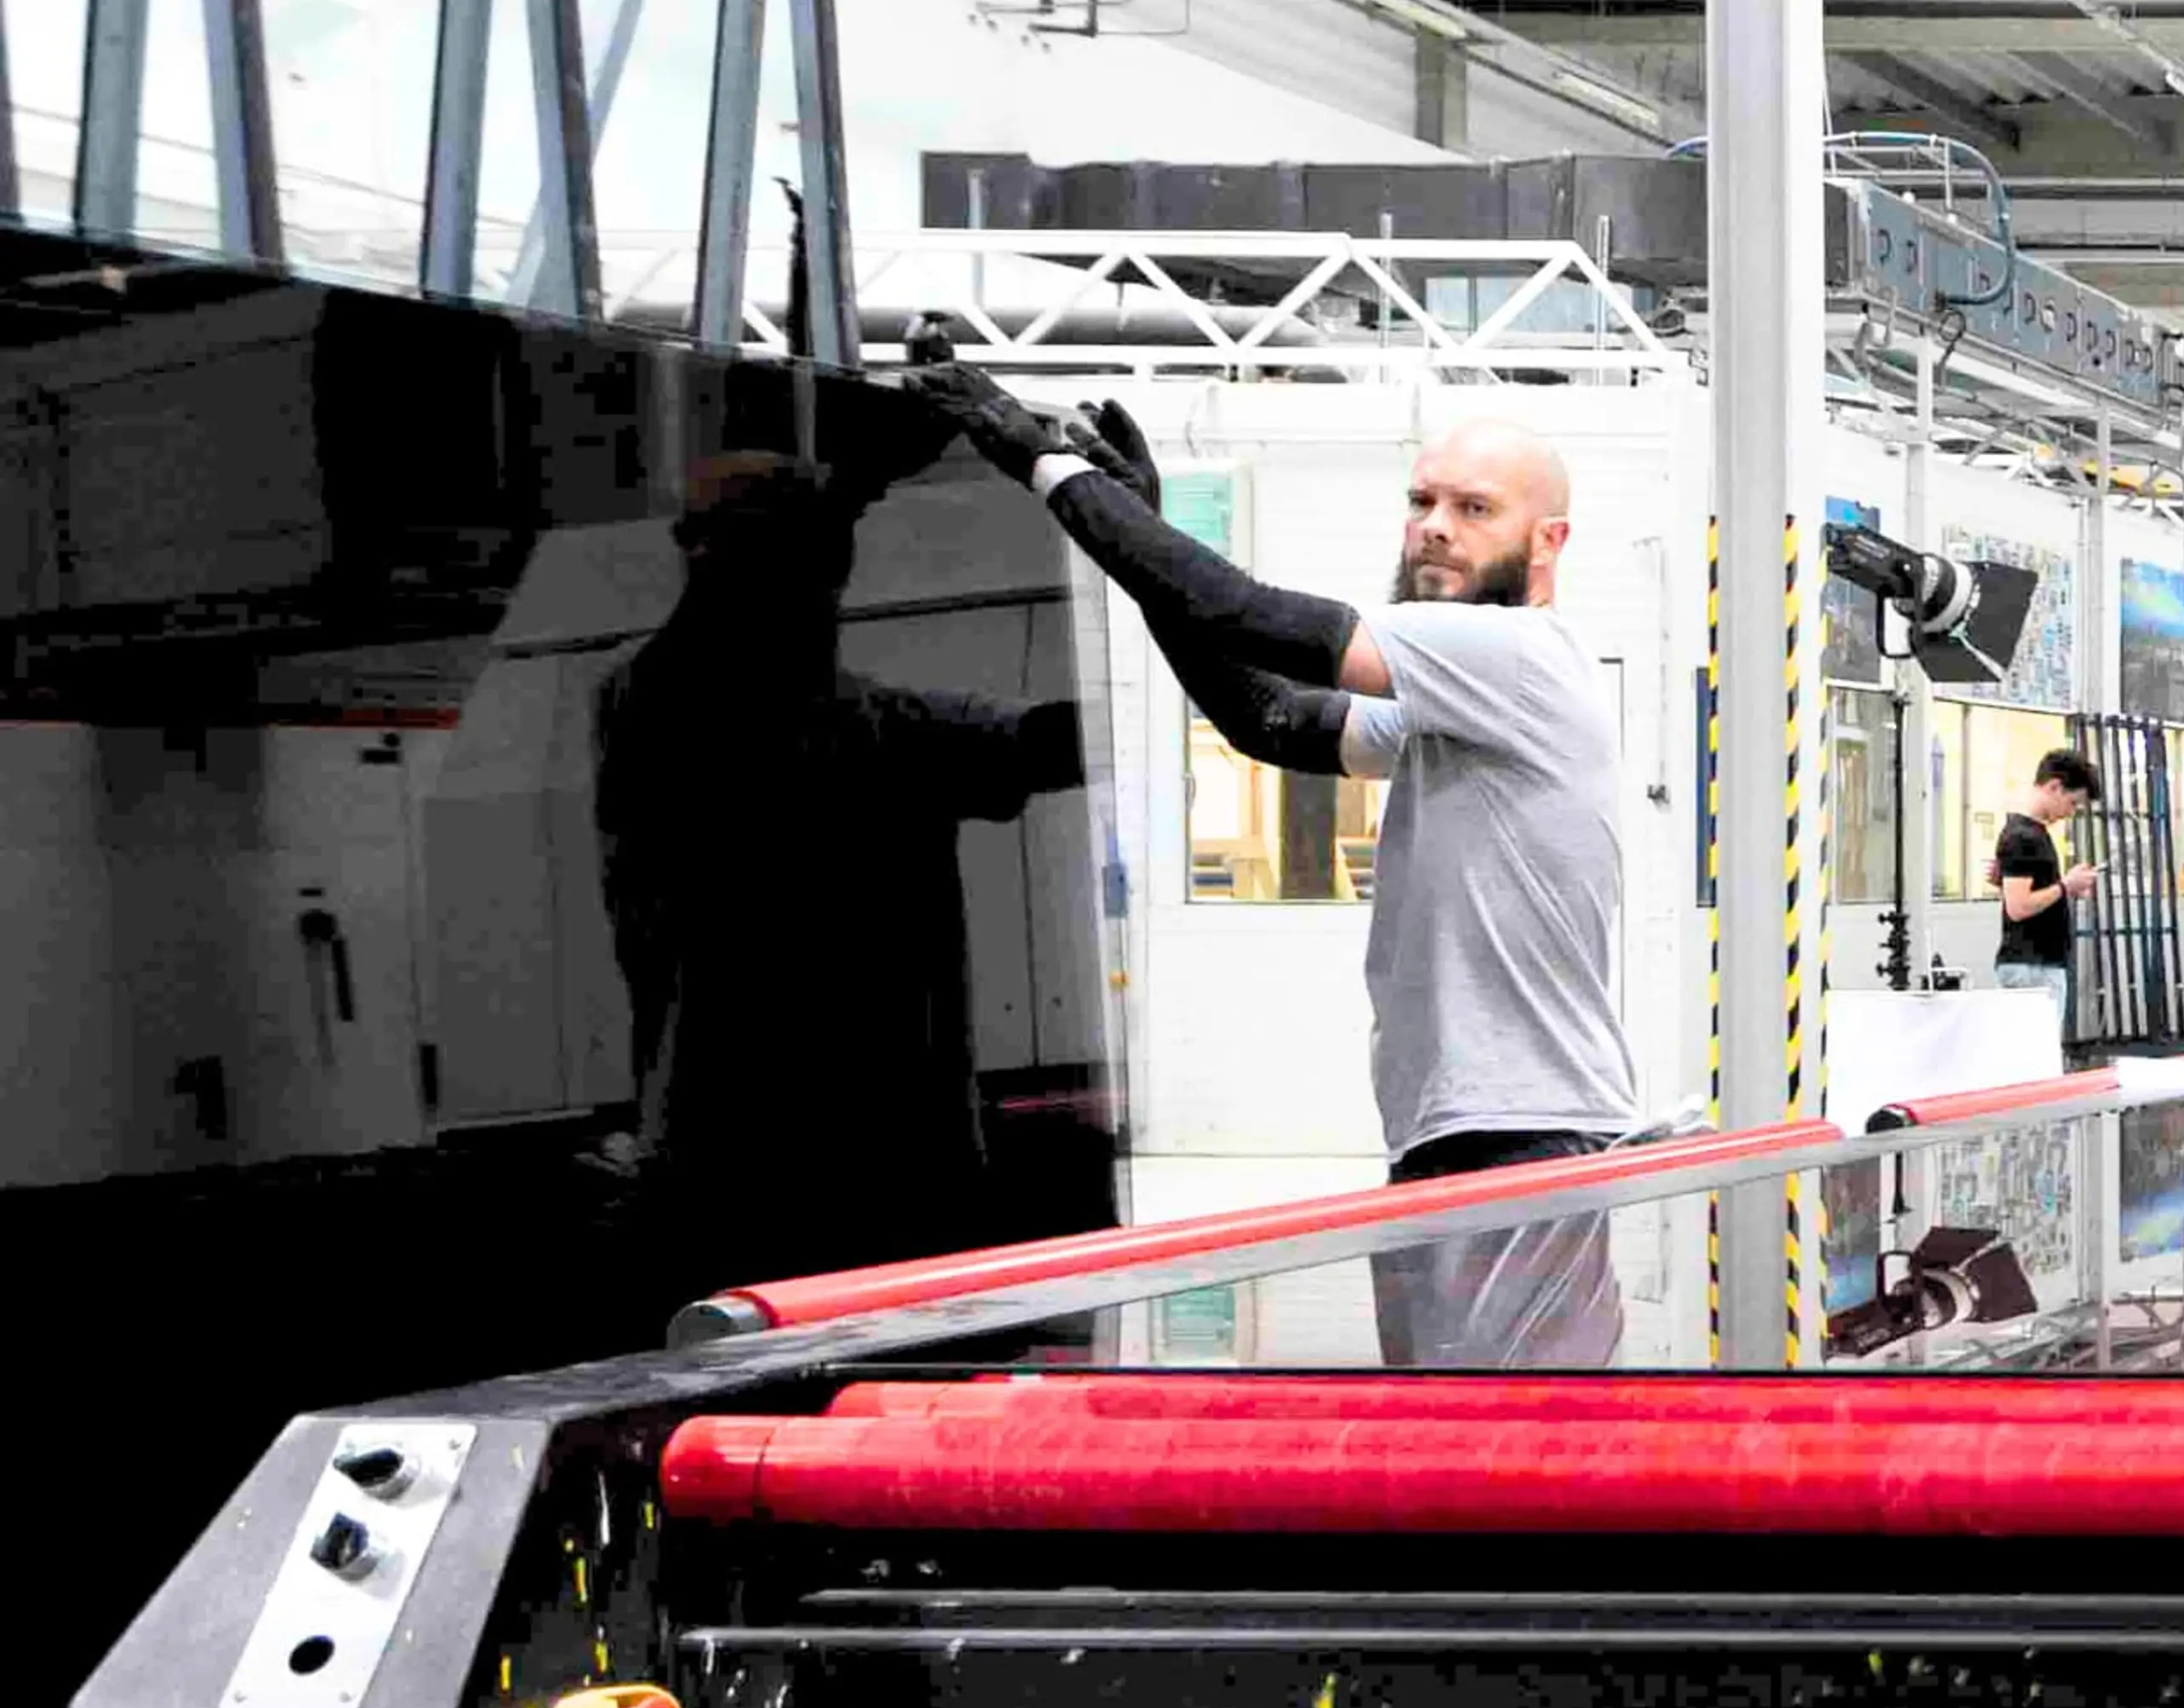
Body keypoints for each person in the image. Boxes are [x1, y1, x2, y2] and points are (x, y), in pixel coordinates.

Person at [904, 339, 1639, 1202]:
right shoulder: (1462, 701)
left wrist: (1053, 470)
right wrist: (1143, 534)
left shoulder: (1513, 653)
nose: (1436, 525)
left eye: (1476, 509)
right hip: (1476, 1130)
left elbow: (1245, 615)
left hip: (1525, 1137)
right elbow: (1270, 719)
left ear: (1547, 542)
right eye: (1423, 500)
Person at [592, 449, 1086, 1292]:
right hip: (810, 1190)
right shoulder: (687, 712)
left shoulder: (884, 730)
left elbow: (1061, 738)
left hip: (786, 1187)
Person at [1992, 744, 2101, 996]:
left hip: (2036, 965)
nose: (2070, 813)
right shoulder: (2023, 837)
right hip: (2033, 969)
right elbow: (2018, 908)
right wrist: (2065, 886)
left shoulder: (2030, 834)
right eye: (2072, 803)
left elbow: (2020, 898)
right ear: (2054, 787)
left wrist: (2066, 890)